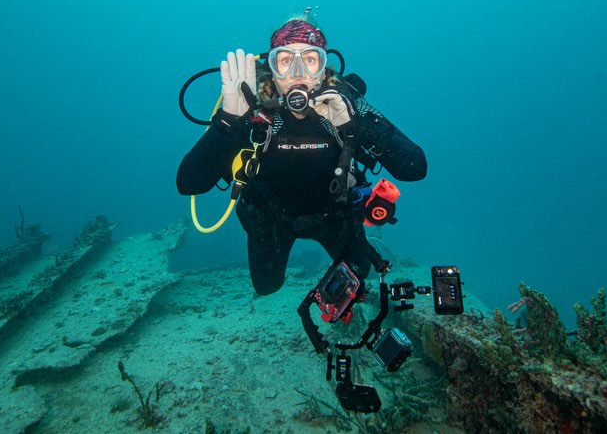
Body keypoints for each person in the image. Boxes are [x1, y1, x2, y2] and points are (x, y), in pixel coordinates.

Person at [176, 17, 427, 295]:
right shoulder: (252, 109)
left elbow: (415, 168)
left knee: (360, 274)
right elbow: (188, 183)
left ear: (323, 68)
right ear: (271, 68)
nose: (297, 73)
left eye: (310, 60)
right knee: (267, 286)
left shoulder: (346, 104)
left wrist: (358, 127)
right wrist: (228, 121)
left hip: (335, 214)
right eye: (285, 61)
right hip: (270, 218)